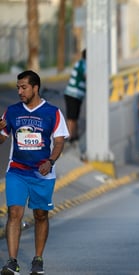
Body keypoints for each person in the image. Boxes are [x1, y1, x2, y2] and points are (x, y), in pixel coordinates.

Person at [0, 70, 69, 275]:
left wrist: (50, 161)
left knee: (40, 215)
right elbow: (2, 138)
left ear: (35, 88)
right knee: (14, 213)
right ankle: (12, 262)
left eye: (24, 87)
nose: (20, 91)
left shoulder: (53, 112)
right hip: (17, 171)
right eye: (18, 88)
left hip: (42, 173)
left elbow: (59, 141)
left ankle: (38, 259)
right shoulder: (11, 111)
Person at [64, 49, 86, 143]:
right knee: (71, 116)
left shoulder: (82, 63)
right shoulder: (84, 64)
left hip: (76, 94)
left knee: (75, 116)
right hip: (73, 94)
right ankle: (69, 136)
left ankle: (75, 135)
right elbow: (86, 76)